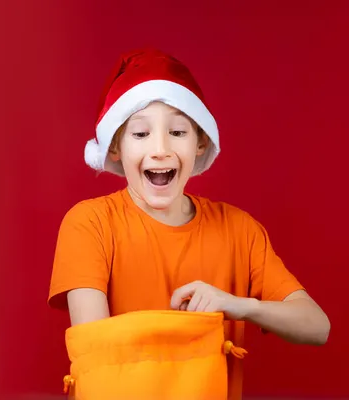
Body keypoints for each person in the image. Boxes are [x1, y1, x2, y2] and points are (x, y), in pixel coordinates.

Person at [48, 47, 330, 400]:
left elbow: (317, 327)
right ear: (116, 146)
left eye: (178, 132)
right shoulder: (89, 224)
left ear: (200, 143)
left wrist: (237, 305)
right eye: (140, 134)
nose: (161, 149)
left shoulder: (239, 230)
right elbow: (100, 358)